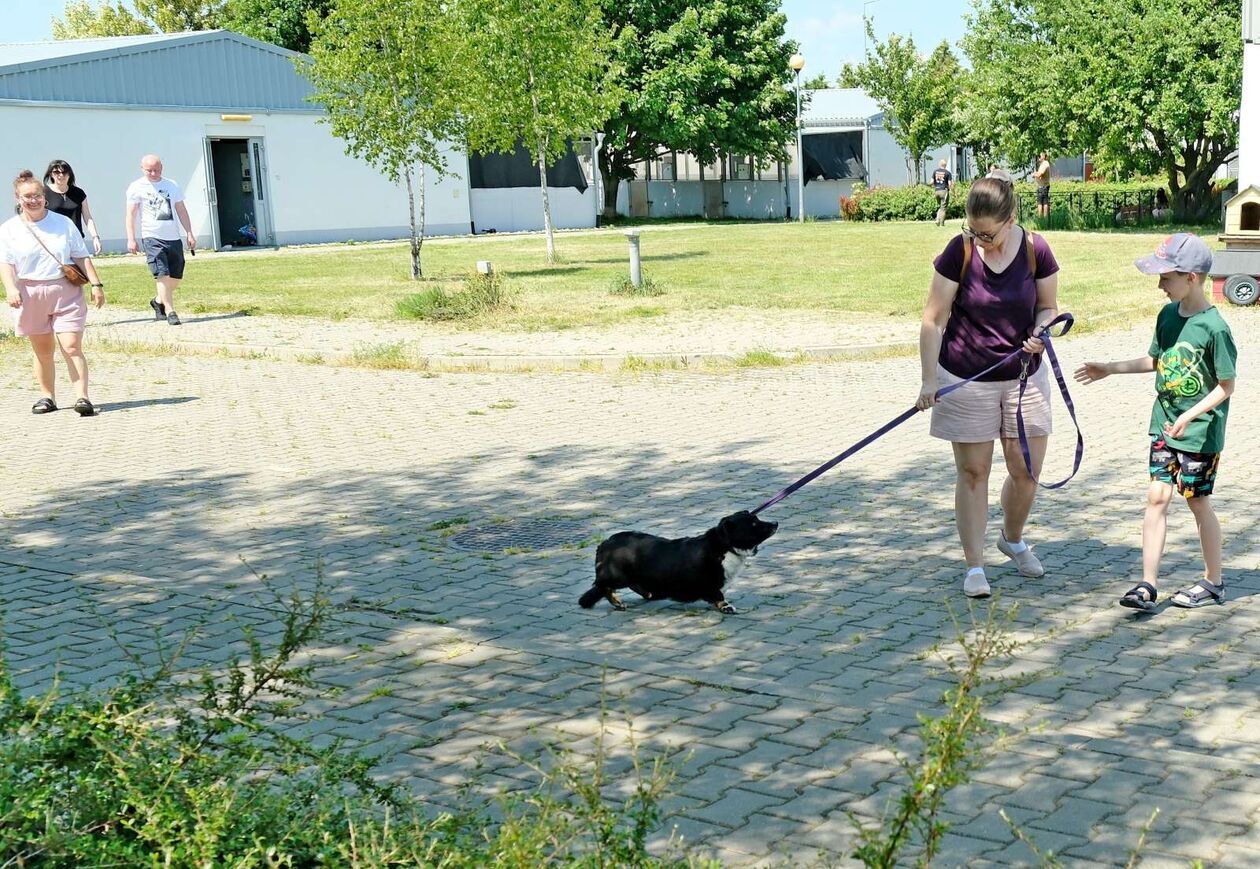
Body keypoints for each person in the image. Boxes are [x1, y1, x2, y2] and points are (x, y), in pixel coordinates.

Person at [916, 176, 1062, 598]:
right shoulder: (958, 251)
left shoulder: (1036, 249)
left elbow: (1049, 307)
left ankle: (1012, 539)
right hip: (966, 378)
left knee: (1026, 472)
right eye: (973, 230)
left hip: (1023, 376)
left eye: (988, 233)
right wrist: (929, 380)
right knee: (974, 472)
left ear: (1011, 219)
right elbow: (933, 319)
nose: (980, 240)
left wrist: (1041, 329)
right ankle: (974, 566)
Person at [1074, 233, 1236, 611]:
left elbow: (1226, 386)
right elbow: (1156, 362)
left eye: (1166, 278)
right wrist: (1109, 369)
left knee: (1198, 502)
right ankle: (1147, 584)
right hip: (1163, 426)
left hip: (1199, 434)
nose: (1160, 285)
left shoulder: (1215, 328)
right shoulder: (1167, 316)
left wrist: (1189, 416)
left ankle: (1214, 582)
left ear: (1191, 277)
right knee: (1157, 496)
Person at [0, 169, 106, 416]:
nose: (33, 200)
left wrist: (96, 285)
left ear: (44, 196)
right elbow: (6, 263)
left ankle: (82, 397)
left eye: (37, 195)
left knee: (71, 346)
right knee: (43, 350)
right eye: (27, 196)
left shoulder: (63, 223)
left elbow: (81, 256)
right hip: (30, 292)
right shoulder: (9, 229)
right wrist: (11, 288)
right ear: (18, 198)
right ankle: (48, 396)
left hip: (64, 290)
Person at [125, 154, 195, 325]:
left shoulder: (171, 185)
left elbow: (181, 210)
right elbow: (130, 214)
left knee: (175, 278)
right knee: (162, 274)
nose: (153, 173)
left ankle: (158, 301)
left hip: (173, 237)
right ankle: (171, 311)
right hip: (152, 237)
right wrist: (131, 238)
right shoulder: (136, 187)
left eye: (156, 170)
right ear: (142, 169)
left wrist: (189, 232)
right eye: (149, 170)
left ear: (161, 167)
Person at [43, 159, 102, 255]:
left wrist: (95, 237)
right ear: (51, 174)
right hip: (52, 240)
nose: (61, 175)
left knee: (81, 269)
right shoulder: (43, 193)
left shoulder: (78, 193)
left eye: (64, 172)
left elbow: (87, 217)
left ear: (69, 174)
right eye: (56, 172)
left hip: (76, 239)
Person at [932, 159, 954, 227]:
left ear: (939, 164)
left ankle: (937, 220)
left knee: (940, 207)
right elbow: (950, 184)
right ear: (945, 165)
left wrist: (934, 186)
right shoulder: (948, 173)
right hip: (944, 191)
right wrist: (951, 189)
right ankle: (941, 223)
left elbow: (931, 182)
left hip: (937, 190)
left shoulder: (935, 171)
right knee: (943, 208)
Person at [1032, 152, 1052, 219]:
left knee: (1040, 203)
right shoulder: (1044, 164)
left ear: (1043, 156)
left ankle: (1041, 219)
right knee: (1044, 202)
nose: (1038, 157)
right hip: (1043, 186)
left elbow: (1040, 174)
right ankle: (1044, 219)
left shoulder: (1045, 164)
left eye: (1039, 156)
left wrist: (1034, 174)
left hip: (1043, 187)